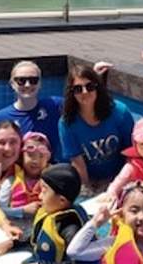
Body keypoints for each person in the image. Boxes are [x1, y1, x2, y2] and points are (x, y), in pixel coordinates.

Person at [0, 164, 91, 264]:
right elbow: (37, 241)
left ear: (61, 200)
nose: (40, 196)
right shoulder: (50, 213)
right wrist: (12, 244)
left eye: (44, 191)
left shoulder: (71, 227)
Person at [58, 64, 135, 195]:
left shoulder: (119, 112)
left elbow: (131, 151)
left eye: (90, 86)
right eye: (78, 89)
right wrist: (88, 191)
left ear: (97, 87)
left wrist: (120, 184)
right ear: (71, 92)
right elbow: (78, 163)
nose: (85, 92)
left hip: (121, 176)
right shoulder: (67, 123)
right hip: (91, 180)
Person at [0, 60, 66, 162]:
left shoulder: (54, 105)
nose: (27, 85)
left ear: (40, 83)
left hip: (48, 168)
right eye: (21, 80)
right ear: (12, 84)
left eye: (33, 80)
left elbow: (82, 105)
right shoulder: (1, 118)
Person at [0, 131, 51, 224]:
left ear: (48, 158)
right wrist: (22, 211)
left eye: (41, 156)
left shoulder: (52, 183)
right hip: (15, 229)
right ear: (21, 156)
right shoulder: (11, 182)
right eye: (30, 155)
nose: (35, 160)